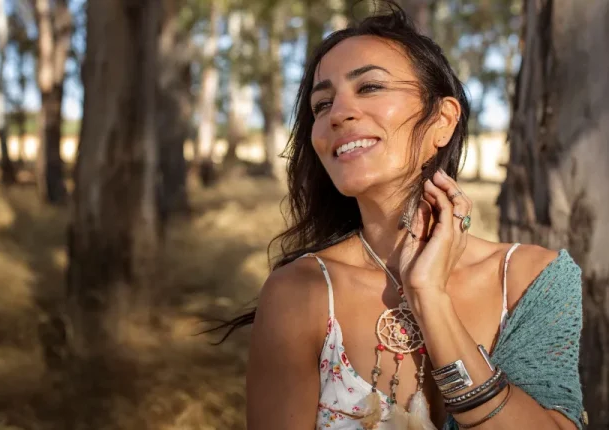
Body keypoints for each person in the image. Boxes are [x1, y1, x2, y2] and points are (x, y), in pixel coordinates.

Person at [242, 2, 586, 430]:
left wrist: (429, 297)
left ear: (443, 121)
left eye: (369, 87)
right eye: (321, 104)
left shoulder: (532, 280)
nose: (338, 113)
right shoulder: (300, 291)